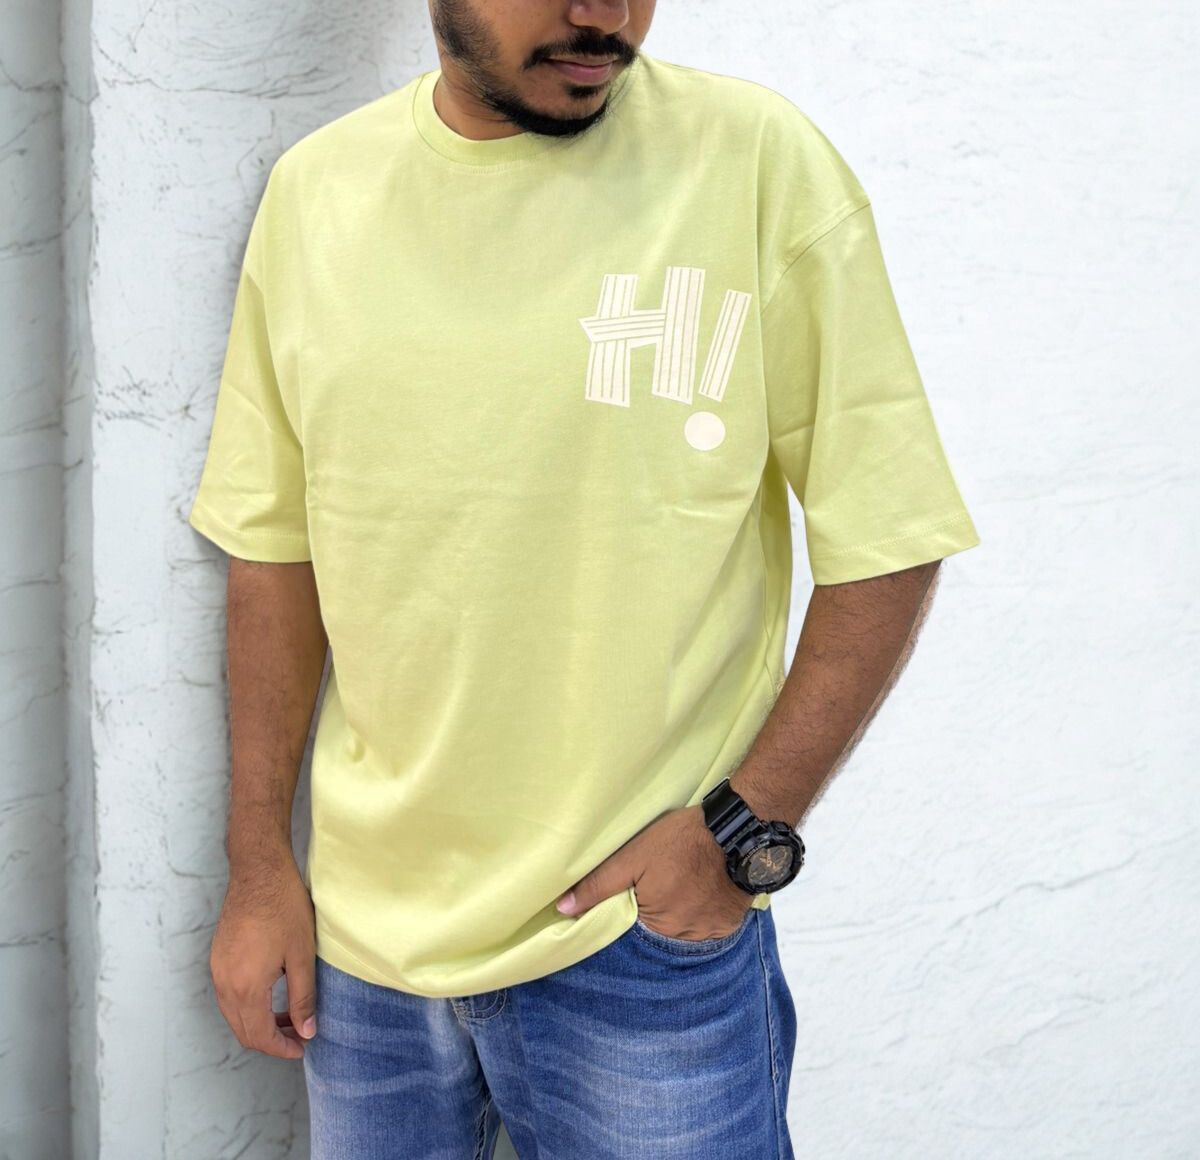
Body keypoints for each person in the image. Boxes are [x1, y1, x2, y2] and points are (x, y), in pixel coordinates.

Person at [187, 1, 982, 1156]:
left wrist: (739, 835)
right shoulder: (318, 194)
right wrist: (261, 864)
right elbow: (274, 555)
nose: (603, 16)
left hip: (640, 950)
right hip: (364, 961)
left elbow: (891, 535)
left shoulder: (754, 164)